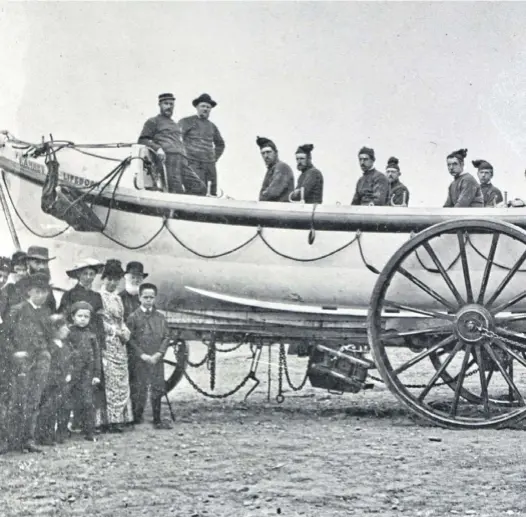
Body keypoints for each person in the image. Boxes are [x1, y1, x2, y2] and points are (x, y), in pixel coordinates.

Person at [7, 272, 53, 453]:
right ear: (29, 292)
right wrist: (14, 353)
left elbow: (49, 336)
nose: (41, 295)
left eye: (44, 292)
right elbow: (6, 336)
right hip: (22, 360)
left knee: (35, 399)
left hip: (41, 359)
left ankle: (29, 439)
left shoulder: (46, 312)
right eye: (37, 291)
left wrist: (46, 353)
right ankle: (12, 441)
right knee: (18, 400)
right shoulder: (17, 310)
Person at [138, 93, 207, 195]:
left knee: (200, 187)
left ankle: (184, 208)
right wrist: (157, 148)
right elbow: (142, 140)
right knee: (176, 190)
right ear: (160, 104)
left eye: (171, 104)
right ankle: (175, 209)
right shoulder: (153, 121)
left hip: (182, 160)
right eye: (166, 103)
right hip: (169, 159)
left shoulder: (175, 124)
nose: (169, 106)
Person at [126, 283, 172, 429]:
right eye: (145, 297)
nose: (148, 300)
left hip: (156, 359)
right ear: (139, 298)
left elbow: (166, 336)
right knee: (138, 387)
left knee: (157, 387)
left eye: (151, 297)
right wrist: (142, 355)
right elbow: (129, 339)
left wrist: (159, 354)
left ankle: (157, 418)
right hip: (140, 360)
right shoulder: (133, 317)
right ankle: (137, 417)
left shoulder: (160, 317)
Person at [99, 259, 133, 432]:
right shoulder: (99, 297)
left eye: (116, 280)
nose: (112, 283)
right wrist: (115, 331)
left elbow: (121, 320)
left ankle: (121, 417)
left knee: (121, 380)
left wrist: (125, 331)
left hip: (120, 343)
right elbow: (99, 321)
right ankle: (109, 420)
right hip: (106, 341)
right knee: (110, 381)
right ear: (103, 279)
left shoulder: (118, 299)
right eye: (109, 279)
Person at [64, 301, 102, 442]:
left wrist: (97, 374)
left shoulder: (92, 335)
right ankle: (63, 430)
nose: (83, 319)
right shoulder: (68, 333)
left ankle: (89, 431)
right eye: (80, 316)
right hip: (71, 371)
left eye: (86, 316)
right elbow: (65, 352)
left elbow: (97, 355)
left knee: (88, 401)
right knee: (67, 401)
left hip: (87, 373)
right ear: (73, 316)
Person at [178, 93, 225, 196]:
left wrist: (214, 157)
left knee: (212, 192)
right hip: (193, 163)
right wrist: (185, 157)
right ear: (197, 107)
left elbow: (220, 144)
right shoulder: (186, 121)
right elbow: (177, 138)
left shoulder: (212, 126)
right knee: (196, 191)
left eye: (208, 107)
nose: (205, 109)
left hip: (209, 164)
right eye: (203, 106)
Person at [35, 314, 71, 446]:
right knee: (48, 409)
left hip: (64, 382)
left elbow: (69, 362)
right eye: (64, 327)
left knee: (62, 408)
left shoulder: (66, 346)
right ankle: (44, 436)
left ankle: (58, 434)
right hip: (52, 382)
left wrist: (69, 374)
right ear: (54, 329)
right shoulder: (50, 347)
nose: (67, 329)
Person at [256, 136, 294, 202]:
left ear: (276, 153)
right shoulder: (271, 169)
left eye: (268, 152)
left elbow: (273, 192)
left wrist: (262, 196)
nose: (266, 156)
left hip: (281, 209)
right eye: (263, 153)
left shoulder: (282, 167)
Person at [25, 246, 57, 313]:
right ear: (28, 263)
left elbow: (52, 310)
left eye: (44, 263)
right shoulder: (21, 284)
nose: (42, 267)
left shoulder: (48, 288)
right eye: (37, 262)